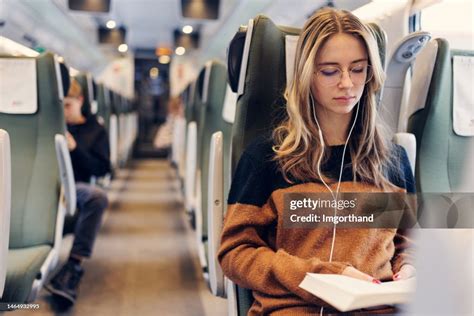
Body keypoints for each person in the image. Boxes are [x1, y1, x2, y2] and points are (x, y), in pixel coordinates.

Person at [218, 8, 416, 315]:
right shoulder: (267, 158)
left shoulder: (392, 161)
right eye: (330, 71)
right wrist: (317, 277)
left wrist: (410, 268)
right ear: (306, 74)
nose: (347, 84)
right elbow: (235, 253)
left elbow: (408, 243)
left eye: (358, 69)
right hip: (294, 309)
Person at [45, 78, 110, 305]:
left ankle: (73, 266)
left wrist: (75, 149)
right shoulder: (47, 125)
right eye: (60, 106)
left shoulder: (96, 129)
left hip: (75, 184)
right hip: (45, 183)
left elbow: (102, 168)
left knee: (97, 197)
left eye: (68, 106)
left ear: (80, 101)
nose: (63, 113)